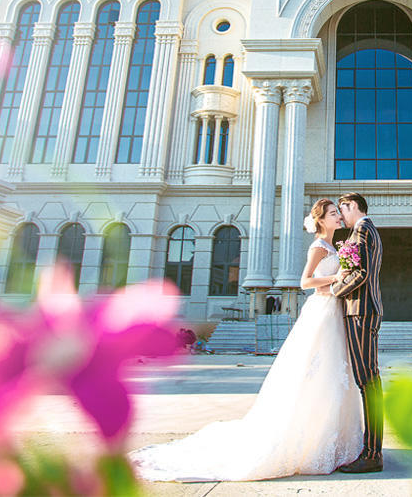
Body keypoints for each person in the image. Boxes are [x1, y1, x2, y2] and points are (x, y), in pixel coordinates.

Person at [128, 199, 363, 482]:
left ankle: (332, 440)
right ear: (321, 220)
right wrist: (338, 276)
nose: (339, 216)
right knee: (316, 372)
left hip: (333, 312)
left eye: (339, 212)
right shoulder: (318, 247)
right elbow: (304, 282)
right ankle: (308, 441)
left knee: (333, 374)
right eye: (334, 213)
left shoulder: (334, 246)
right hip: (321, 311)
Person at [330, 192, 384, 473]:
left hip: (361, 311)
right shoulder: (367, 229)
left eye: (343, 209)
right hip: (363, 309)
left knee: (368, 383)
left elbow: (360, 273)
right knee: (368, 382)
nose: (342, 216)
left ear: (353, 207)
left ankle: (373, 454)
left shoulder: (362, 229)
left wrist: (334, 291)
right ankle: (371, 450)